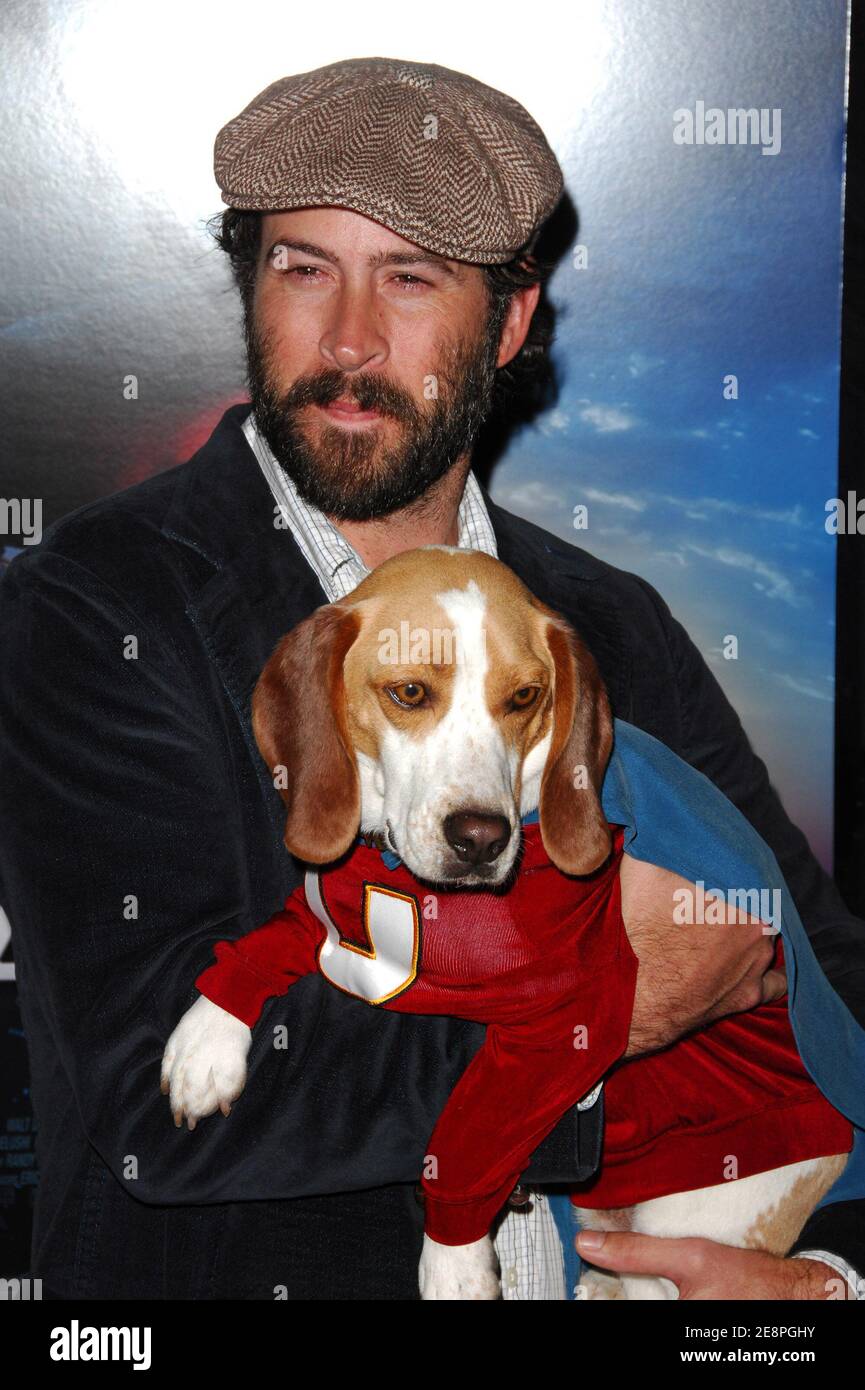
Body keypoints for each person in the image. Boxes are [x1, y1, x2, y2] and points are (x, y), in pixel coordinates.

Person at [0, 56, 862, 1301]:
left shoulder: (606, 624)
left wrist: (827, 1284)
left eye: (409, 277)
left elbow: (829, 976)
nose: (347, 338)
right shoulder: (95, 606)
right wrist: (598, 1021)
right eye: (302, 267)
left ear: (509, 324)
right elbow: (161, 1095)